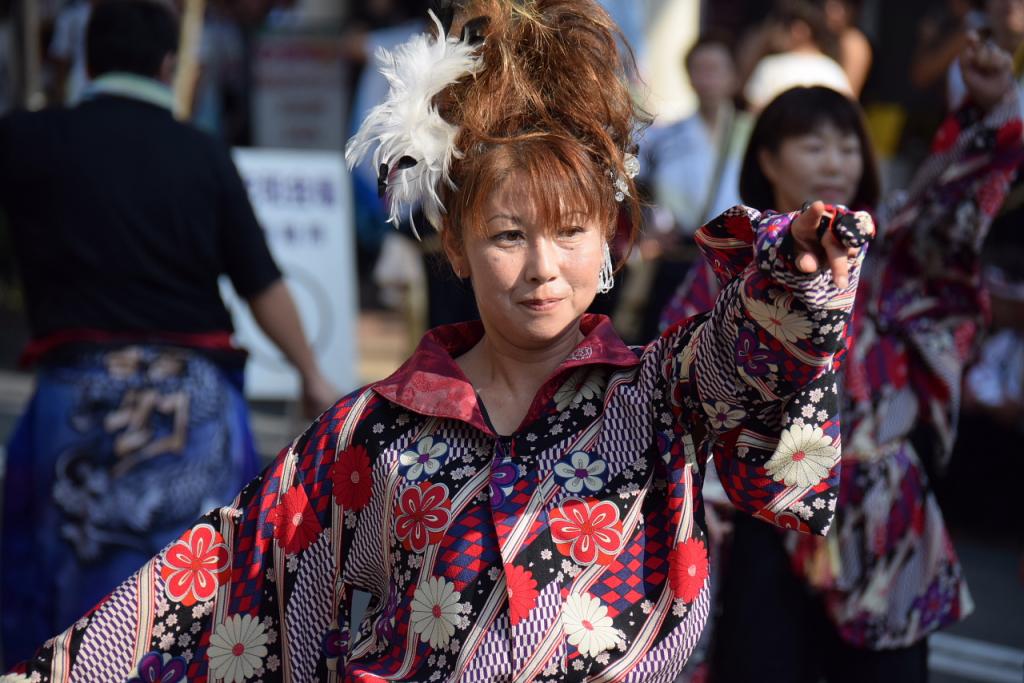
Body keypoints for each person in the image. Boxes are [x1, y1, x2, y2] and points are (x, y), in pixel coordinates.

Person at [5, 1, 874, 680]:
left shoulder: (658, 392)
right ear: (454, 244)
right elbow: (218, 583)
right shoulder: (366, 432)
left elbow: (753, 356)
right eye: (507, 236)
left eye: (571, 231)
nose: (543, 268)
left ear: (610, 239)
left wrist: (798, 271)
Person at [661, 37, 1023, 683]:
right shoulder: (732, 263)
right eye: (814, 144)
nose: (836, 159)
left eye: (848, 144)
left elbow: (952, 212)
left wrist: (982, 114)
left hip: (886, 507)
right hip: (762, 514)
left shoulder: (892, 255)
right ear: (766, 158)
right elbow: (677, 378)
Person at [0, 0, 336, 667]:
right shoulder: (202, 154)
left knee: (57, 610)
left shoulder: (27, 141)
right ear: (168, 65)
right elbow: (260, 283)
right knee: (203, 603)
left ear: (87, 60)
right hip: (199, 406)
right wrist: (311, 371)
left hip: (76, 399)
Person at [739, 0, 852, 111]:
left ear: (798, 30)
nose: (778, 31)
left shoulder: (771, 66)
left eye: (784, 25)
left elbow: (753, 112)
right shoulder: (834, 71)